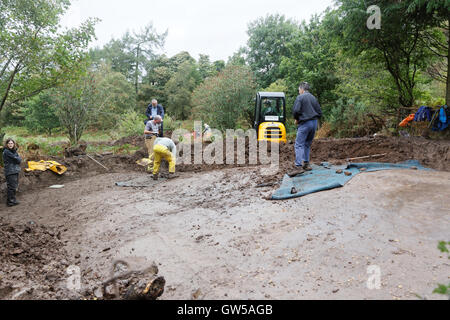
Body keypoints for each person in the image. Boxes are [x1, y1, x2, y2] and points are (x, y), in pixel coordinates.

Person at [292, 82, 322, 171]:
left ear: (301, 89)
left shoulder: (300, 97)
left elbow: (296, 110)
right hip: (314, 123)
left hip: (305, 123)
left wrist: (297, 119)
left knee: (299, 144)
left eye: (299, 90)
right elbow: (320, 112)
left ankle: (298, 166)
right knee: (307, 144)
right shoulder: (313, 98)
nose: (299, 92)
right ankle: (306, 164)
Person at [3, 139, 21, 207]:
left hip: (14, 170)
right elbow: (18, 159)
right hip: (10, 171)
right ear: (7, 144)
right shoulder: (7, 152)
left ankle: (13, 200)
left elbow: (19, 160)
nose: (10, 144)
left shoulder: (13, 151)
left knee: (14, 186)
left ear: (14, 144)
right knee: (11, 187)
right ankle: (10, 202)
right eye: (9, 143)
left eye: (12, 143)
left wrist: (17, 158)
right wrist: (17, 158)